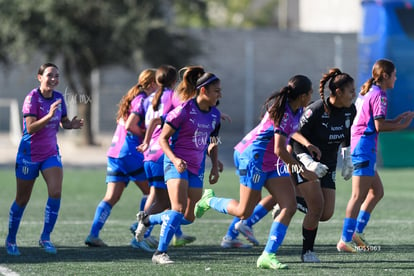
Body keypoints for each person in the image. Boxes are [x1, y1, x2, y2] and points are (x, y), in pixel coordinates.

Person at [225, 68, 356, 263]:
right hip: (277, 158)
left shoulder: (341, 110)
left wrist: (346, 159)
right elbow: (287, 144)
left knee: (321, 212)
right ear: (337, 92)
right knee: (307, 206)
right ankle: (306, 252)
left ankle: (263, 248)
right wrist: (306, 164)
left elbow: (341, 134)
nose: (354, 95)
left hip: (307, 162)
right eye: (351, 91)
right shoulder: (309, 111)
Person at [194, 75, 318, 270]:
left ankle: (267, 255)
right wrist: (301, 170)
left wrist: (307, 144)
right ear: (302, 95)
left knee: (289, 205)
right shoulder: (284, 112)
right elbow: (279, 148)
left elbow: (290, 132)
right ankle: (209, 200)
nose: (312, 95)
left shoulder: (296, 108)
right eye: (310, 92)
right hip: (252, 157)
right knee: (245, 211)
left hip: (271, 160)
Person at [135, 71, 222, 264]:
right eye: (216, 91)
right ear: (203, 90)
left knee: (189, 217)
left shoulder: (215, 115)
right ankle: (160, 253)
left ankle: (149, 219)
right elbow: (164, 139)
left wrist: (215, 165)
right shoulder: (182, 111)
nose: (220, 95)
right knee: (178, 208)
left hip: (197, 167)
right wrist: (174, 160)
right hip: (176, 164)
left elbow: (213, 142)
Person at [5, 63, 84, 255]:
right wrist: (49, 115)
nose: (54, 79)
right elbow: (30, 128)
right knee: (22, 199)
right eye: (49, 75)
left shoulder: (58, 97)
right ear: (39, 77)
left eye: (57, 75)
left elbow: (63, 121)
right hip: (29, 154)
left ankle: (45, 237)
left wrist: (70, 125)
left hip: (50, 154)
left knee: (55, 192)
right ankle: (11, 239)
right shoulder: (32, 98)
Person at [337, 59, 414, 252]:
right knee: (357, 196)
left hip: (362, 146)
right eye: (394, 75)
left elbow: (372, 120)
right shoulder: (380, 94)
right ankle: (345, 239)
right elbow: (378, 126)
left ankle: (357, 233)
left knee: (377, 192)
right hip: (364, 147)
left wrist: (394, 120)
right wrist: (400, 126)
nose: (396, 78)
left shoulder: (370, 92)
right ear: (385, 76)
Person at [84, 68, 156, 247]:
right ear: (153, 84)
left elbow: (122, 122)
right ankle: (140, 231)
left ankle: (93, 234)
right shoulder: (142, 100)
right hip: (130, 153)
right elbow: (131, 125)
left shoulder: (131, 98)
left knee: (111, 197)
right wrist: (145, 133)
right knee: (153, 192)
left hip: (115, 154)